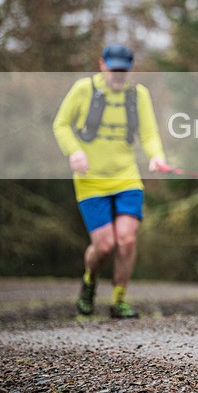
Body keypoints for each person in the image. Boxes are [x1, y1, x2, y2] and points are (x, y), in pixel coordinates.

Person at [53, 44, 166, 319]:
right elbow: (61, 124)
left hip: (126, 177)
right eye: (113, 68)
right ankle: (90, 280)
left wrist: (156, 157)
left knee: (126, 240)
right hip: (90, 180)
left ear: (130, 68)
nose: (118, 75)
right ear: (102, 64)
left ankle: (119, 300)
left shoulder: (138, 95)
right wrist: (74, 151)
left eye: (123, 70)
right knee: (103, 246)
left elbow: (149, 134)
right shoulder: (83, 90)